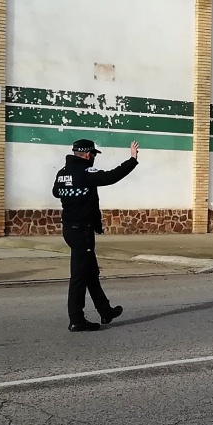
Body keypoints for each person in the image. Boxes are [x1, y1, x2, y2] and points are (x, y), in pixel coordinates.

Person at [53, 138, 140, 332]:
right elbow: (110, 177)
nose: (93, 158)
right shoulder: (85, 172)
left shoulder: (62, 173)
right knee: (78, 276)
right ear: (86, 154)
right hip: (82, 230)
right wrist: (132, 160)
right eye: (93, 154)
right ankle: (76, 319)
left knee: (90, 272)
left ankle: (105, 310)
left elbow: (56, 192)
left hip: (69, 229)